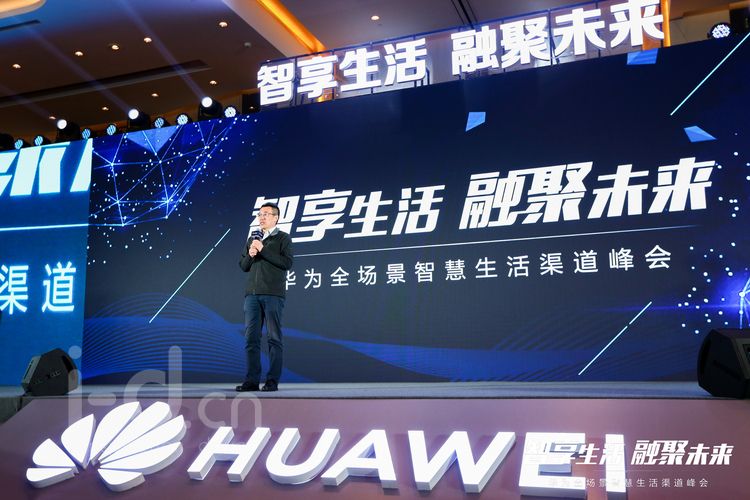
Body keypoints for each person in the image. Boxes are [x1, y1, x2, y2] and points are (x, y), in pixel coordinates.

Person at [236, 202, 293, 392]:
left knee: (274, 338)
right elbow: (243, 266)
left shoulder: (283, 238)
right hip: (251, 295)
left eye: (266, 214)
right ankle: (251, 381)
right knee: (251, 339)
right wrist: (251, 253)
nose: (261, 217)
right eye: (260, 214)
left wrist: (263, 249)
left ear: (276, 217)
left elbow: (287, 263)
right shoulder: (253, 238)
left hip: (273, 294)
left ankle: (272, 381)